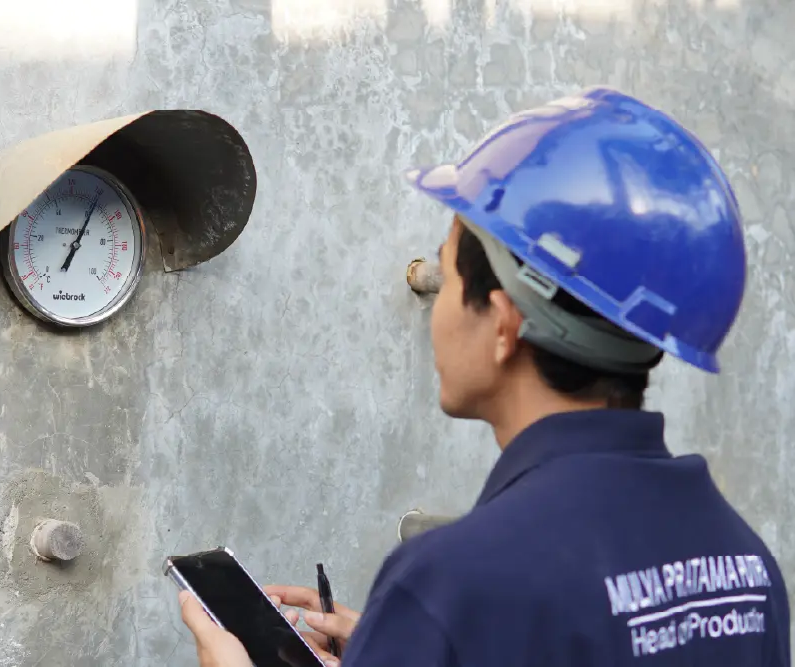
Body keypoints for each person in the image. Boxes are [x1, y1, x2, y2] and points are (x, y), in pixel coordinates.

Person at [177, 87, 792, 666]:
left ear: (503, 325)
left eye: (444, 277)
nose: (435, 309)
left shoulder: (453, 584)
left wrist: (427, 632)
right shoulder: (744, 566)